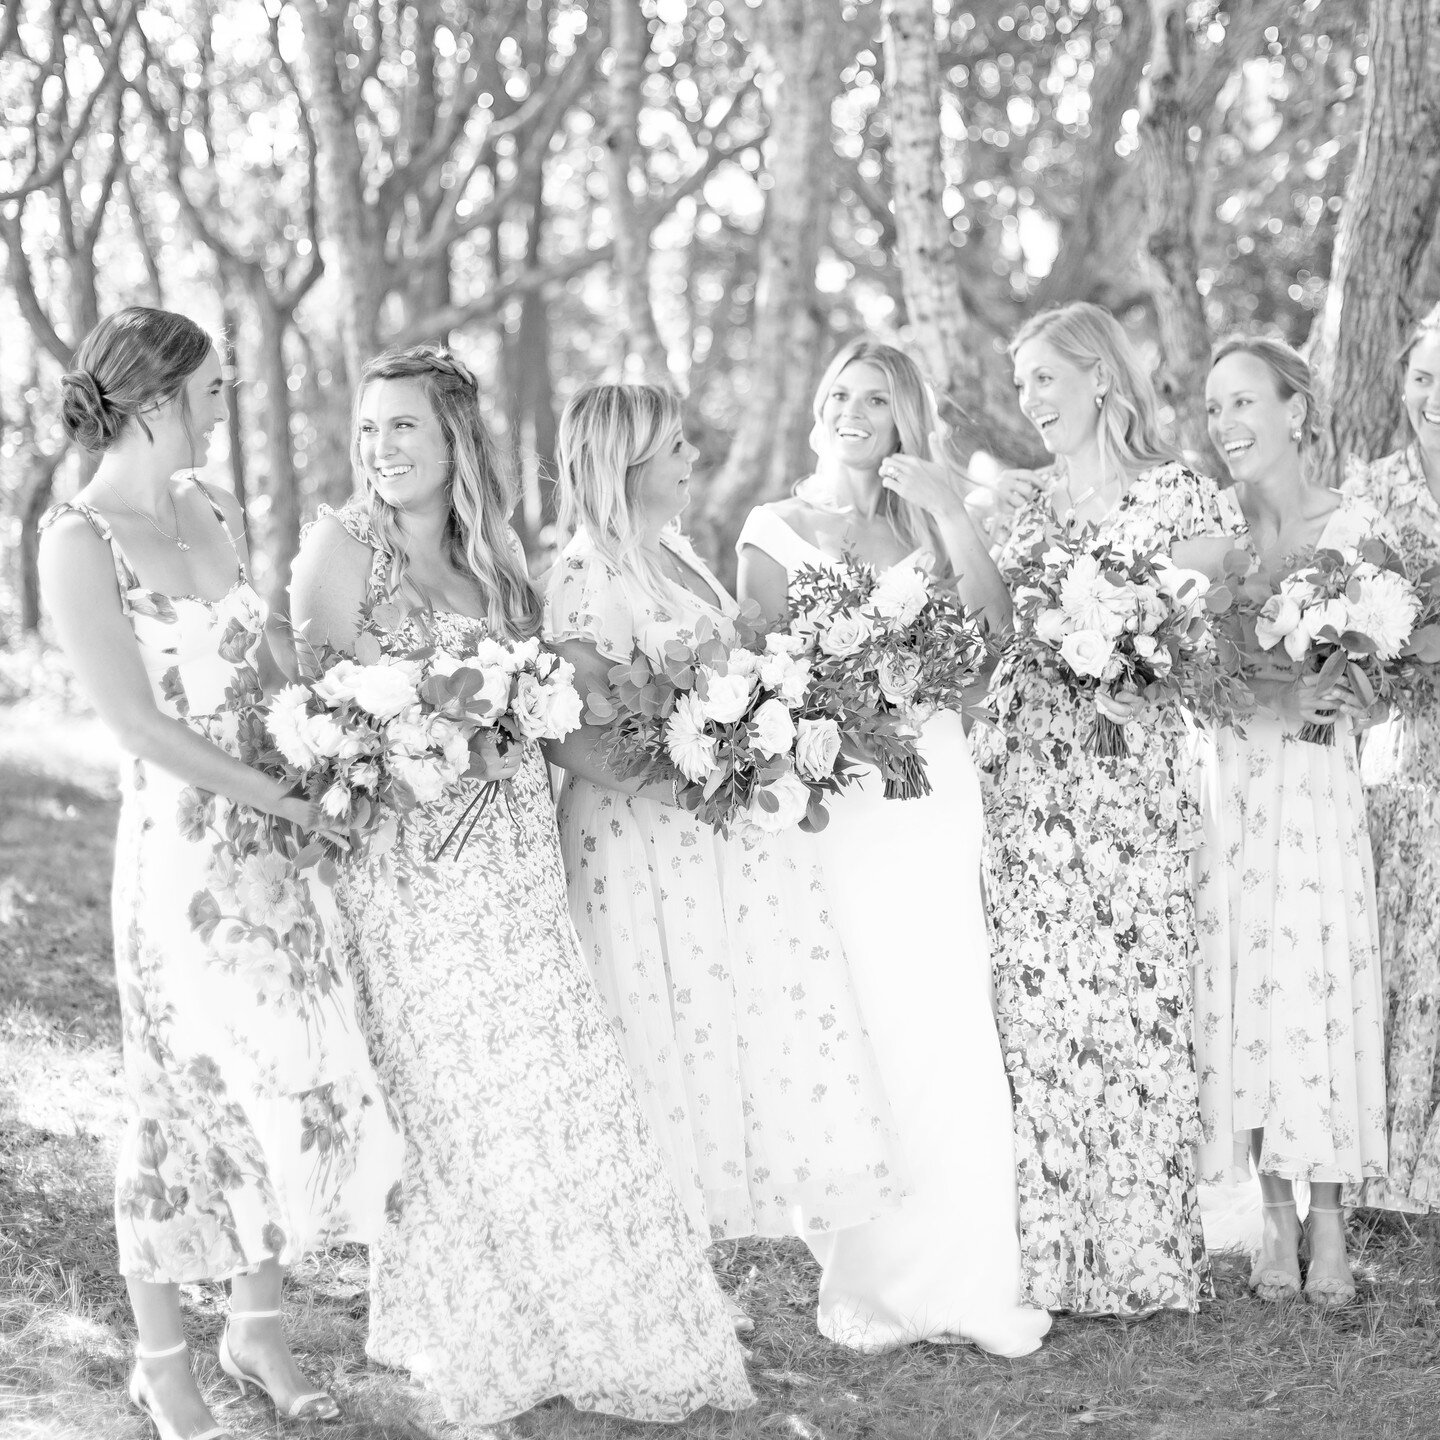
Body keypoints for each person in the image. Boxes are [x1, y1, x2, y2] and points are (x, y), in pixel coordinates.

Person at [289, 346, 751, 1428]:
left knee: (556, 1089)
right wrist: (456, 732)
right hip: (411, 876)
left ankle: (586, 1314)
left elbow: (537, 714)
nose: (381, 448)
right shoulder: (340, 549)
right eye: (370, 428)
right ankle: (474, 1316)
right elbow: (318, 724)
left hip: (514, 865)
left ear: (455, 439)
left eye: (403, 426)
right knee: (458, 1100)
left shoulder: (494, 565)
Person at [38, 307, 403, 1440]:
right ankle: (163, 1363)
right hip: (186, 866)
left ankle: (257, 1327)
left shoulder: (214, 508)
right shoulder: (75, 541)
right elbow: (137, 727)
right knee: (180, 1100)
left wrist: (344, 745)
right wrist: (283, 798)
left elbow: (273, 665)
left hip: (278, 845)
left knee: (288, 1077)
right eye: (211, 389)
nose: (224, 406)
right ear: (154, 398)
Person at [542, 383, 908, 1324]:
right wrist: (705, 785)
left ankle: (694, 1272)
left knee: (709, 1039)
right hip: (643, 848)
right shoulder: (587, 576)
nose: (690, 457)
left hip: (709, 842)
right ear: (626, 463)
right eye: (672, 446)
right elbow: (577, 735)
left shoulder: (671, 555)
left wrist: (758, 743)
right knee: (652, 1038)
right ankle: (647, 1280)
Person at [736, 338, 1050, 1357]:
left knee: (947, 1024)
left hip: (932, 790)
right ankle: (864, 1283)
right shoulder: (774, 529)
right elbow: (758, 673)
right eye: (840, 393)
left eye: (877, 397)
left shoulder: (926, 521)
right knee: (863, 1032)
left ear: (905, 416)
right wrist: (834, 713)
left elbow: (993, 641)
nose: (853, 410)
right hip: (843, 802)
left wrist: (955, 516)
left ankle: (968, 1283)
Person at [976, 302, 1241, 1318]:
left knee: (1137, 1004)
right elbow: (992, 623)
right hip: (1031, 773)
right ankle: (1046, 1257)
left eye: (1044, 378)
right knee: (1041, 1009)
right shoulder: (1020, 504)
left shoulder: (1177, 493)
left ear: (1098, 377)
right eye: (1020, 383)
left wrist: (1149, 647)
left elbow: (1205, 615)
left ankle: (1142, 1256)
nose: (1029, 401)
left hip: (1132, 777)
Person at [1192, 335, 1388, 1306]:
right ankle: (1273, 1219)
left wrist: (1363, 701)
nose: (1224, 425)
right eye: (1213, 409)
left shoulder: (1353, 529)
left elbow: (1382, 675)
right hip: (1241, 792)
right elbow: (1196, 687)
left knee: (1321, 987)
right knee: (1258, 993)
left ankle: (1330, 1219)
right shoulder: (1213, 540)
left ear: (1295, 410)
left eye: (1242, 403)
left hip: (1320, 792)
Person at [1342, 304, 1440, 1214]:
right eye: (1421, 378)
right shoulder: (1371, 490)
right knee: (1409, 942)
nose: (1432, 397)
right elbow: (1367, 629)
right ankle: (1399, 1158)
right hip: (1406, 743)